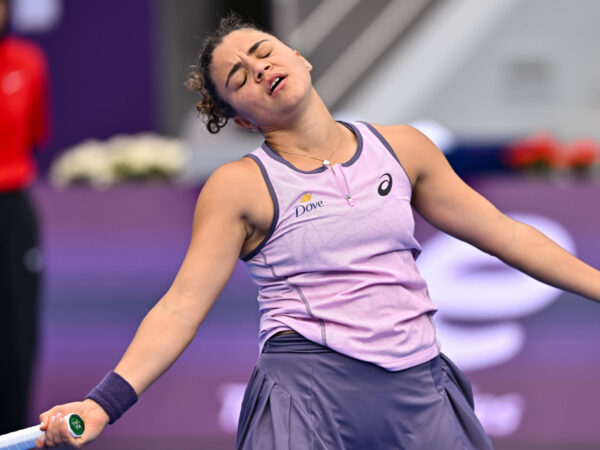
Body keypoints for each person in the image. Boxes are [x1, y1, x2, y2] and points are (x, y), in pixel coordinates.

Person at [36, 13, 600, 450]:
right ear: (242, 118)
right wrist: (104, 404)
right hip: (307, 392)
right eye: (239, 77)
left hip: (420, 385)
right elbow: (181, 307)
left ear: (300, 59)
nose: (258, 69)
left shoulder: (403, 148)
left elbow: (509, 236)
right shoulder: (238, 187)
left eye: (263, 53)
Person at [0, 0, 50, 435]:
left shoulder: (28, 63)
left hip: (12, 208)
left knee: (17, 328)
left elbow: (35, 132)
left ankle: (11, 434)